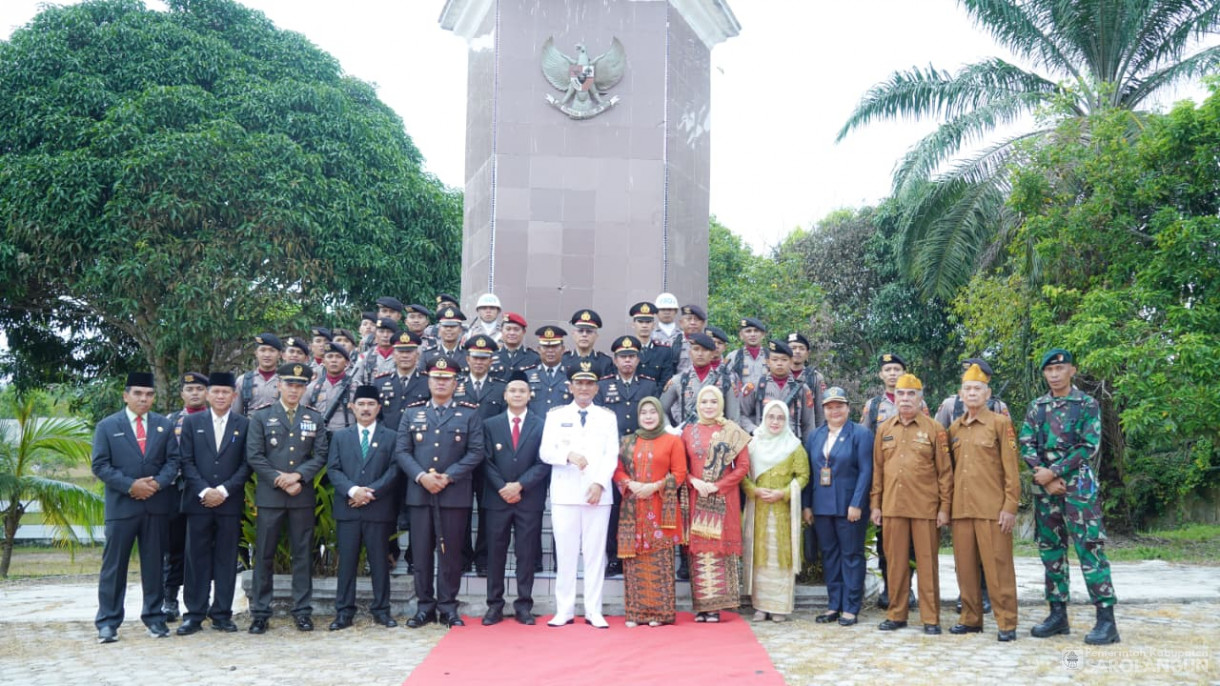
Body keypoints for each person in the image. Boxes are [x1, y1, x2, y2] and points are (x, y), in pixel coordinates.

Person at [1020, 348, 1119, 645]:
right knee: (1051, 550)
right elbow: (1026, 443)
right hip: (1046, 490)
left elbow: (1088, 446)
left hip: (1079, 489)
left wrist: (1055, 471)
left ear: (1071, 371)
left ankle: (1106, 620)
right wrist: (1043, 475)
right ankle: (1057, 615)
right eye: (1049, 370)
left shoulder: (1086, 404)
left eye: (1059, 369)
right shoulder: (1037, 407)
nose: (1054, 375)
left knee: (1090, 548)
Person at [396, 356, 485, 629]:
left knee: (451, 554)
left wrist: (448, 476)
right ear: (429, 381)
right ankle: (425, 607)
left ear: (455, 383)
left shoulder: (469, 413)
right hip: (421, 494)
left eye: (447, 379)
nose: (441, 383)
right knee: (421, 554)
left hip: (453, 494)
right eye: (437, 378)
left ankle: (448, 606)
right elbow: (402, 451)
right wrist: (423, 476)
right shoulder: (411, 413)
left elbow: (476, 452)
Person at [92, 372, 179, 643]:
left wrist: (156, 485)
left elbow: (173, 462)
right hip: (122, 508)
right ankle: (108, 622)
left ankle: (154, 618)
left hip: (155, 506)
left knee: (154, 566)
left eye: (149, 394)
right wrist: (131, 486)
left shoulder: (164, 425)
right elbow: (100, 465)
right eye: (138, 394)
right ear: (126, 395)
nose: (144, 399)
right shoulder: (107, 426)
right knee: (113, 567)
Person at [246, 363, 330, 634]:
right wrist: (279, 479)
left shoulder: (314, 418)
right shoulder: (261, 416)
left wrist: (298, 477)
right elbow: (255, 455)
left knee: (302, 555)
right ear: (279, 385)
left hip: (300, 495)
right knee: (264, 555)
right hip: (271, 496)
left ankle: (302, 611)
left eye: (299, 385)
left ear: (305, 388)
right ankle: (260, 612)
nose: (294, 390)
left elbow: (319, 456)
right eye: (289, 384)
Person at [870, 373, 953, 634]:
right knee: (895, 563)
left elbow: (945, 472)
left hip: (925, 509)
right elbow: (878, 470)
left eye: (911, 394)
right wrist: (876, 504)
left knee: (927, 563)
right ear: (895, 398)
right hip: (893, 507)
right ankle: (897, 614)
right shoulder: (884, 429)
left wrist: (944, 508)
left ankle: (931, 618)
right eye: (901, 394)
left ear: (920, 398)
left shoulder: (934, 429)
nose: (905, 399)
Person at [539, 363, 619, 629]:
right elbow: (545, 452)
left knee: (596, 554)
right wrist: (567, 456)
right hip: (565, 492)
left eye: (589, 384)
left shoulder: (607, 417)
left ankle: (593, 610)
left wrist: (599, 483)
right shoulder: (555, 415)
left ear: (596, 388)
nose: (584, 389)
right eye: (579, 384)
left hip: (597, 494)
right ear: (570, 387)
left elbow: (611, 455)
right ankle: (564, 609)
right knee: (566, 553)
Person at [947, 364, 1020, 642]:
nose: (972, 393)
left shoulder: (1000, 424)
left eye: (978, 388)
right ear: (960, 394)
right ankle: (970, 618)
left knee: (998, 568)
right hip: (962, 510)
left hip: (993, 510)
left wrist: (1010, 506)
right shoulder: (954, 428)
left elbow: (1011, 469)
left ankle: (1006, 622)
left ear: (987, 393)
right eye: (968, 389)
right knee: (964, 568)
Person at [175, 372, 250, 635]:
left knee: (227, 559)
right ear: (207, 395)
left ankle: (222, 614)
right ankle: (194, 614)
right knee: (195, 558)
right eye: (215, 392)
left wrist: (224, 490)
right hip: (198, 502)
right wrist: (206, 490)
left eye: (225, 392)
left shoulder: (244, 424)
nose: (220, 396)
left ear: (234, 395)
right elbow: (185, 461)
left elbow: (246, 464)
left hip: (229, 504)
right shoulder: (192, 422)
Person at [326, 385, 400, 630]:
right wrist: (353, 490)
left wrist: (370, 493)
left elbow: (394, 470)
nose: (366, 409)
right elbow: (333, 469)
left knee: (379, 562)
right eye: (361, 404)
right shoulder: (340, 437)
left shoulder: (391, 436)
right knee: (346, 562)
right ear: (352, 407)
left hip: (378, 509)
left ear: (379, 408)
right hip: (348, 508)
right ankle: (344, 612)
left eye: (371, 405)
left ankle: (382, 610)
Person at [480, 371, 551, 625]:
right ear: (505, 395)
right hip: (497, 499)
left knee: (525, 553)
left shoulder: (541, 424)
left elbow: (544, 462)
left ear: (530, 395)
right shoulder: (491, 424)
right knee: (495, 553)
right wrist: (503, 487)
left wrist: (519, 485)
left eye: (522, 391)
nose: (517, 395)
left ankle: (523, 605)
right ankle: (494, 606)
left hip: (528, 499)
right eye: (513, 391)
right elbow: (485, 461)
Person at [613, 397, 687, 627]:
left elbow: (680, 472)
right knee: (634, 562)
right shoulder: (627, 441)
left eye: (652, 412)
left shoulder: (672, 441)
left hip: (659, 508)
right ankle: (635, 613)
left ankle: (660, 614)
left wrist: (654, 487)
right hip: (633, 509)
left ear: (660, 415)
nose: (648, 416)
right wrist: (631, 485)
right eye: (643, 412)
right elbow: (617, 471)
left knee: (659, 561)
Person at [860, 352, 925, 609]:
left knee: (910, 541)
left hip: (912, 481)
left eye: (897, 369)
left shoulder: (919, 403)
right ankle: (888, 588)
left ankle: (906, 589)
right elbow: (864, 441)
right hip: (884, 480)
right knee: (885, 538)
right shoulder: (873, 405)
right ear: (881, 375)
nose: (892, 374)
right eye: (887, 370)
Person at [803, 387, 872, 627]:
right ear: (823, 410)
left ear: (847, 408)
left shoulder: (860, 434)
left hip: (848, 507)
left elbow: (866, 471)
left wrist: (857, 503)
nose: (834, 411)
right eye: (830, 407)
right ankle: (834, 605)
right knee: (830, 556)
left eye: (839, 406)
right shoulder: (815, 435)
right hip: (821, 507)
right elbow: (809, 473)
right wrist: (807, 505)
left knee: (851, 555)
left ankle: (851, 608)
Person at [682, 385, 751, 622]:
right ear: (698, 405)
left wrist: (718, 485)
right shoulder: (688, 432)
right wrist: (693, 481)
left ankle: (717, 606)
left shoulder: (732, 431)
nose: (708, 406)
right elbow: (682, 467)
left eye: (713, 402)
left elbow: (743, 467)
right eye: (704, 402)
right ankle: (702, 606)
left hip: (723, 497)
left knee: (719, 549)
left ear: (720, 404)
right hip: (697, 497)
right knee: (700, 550)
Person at [595, 334, 660, 577]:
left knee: (640, 506)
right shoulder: (603, 386)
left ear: (638, 358)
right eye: (622, 357)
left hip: (644, 453)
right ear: (614, 359)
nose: (627, 361)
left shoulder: (649, 385)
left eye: (631, 356)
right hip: (614, 454)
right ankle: (614, 557)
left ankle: (641, 551)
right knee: (614, 508)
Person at [743, 400, 810, 623]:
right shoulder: (753, 445)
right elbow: (742, 475)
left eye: (780, 418)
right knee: (760, 556)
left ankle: (779, 606)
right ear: (763, 418)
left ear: (786, 420)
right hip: (759, 510)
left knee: (780, 557)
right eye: (771, 417)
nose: (775, 422)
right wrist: (753, 490)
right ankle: (761, 606)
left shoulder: (794, 446)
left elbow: (803, 476)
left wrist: (784, 493)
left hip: (783, 511)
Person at [456, 335, 507, 576]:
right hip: (461, 458)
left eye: (484, 358)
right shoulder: (455, 385)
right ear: (467, 359)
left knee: (488, 510)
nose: (479, 362)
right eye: (475, 357)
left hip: (490, 460)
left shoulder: (500, 387)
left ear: (491, 361)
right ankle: (463, 556)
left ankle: (483, 558)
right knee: (462, 509)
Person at [162, 371, 209, 623]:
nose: (194, 393)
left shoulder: (215, 419)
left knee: (203, 547)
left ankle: (204, 599)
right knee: (173, 547)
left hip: (203, 491)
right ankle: (170, 599)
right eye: (189, 389)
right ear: (182, 393)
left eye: (200, 389)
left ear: (207, 393)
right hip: (174, 489)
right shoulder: (169, 421)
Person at [739, 340, 818, 438]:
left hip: (792, 444)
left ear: (791, 361)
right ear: (768, 362)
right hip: (763, 442)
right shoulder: (756, 386)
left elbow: (808, 424)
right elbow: (741, 414)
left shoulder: (802, 389)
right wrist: (753, 429)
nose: (779, 363)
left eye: (784, 360)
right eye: (775, 360)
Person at [305, 341, 356, 435]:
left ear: (347, 363)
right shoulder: (312, 388)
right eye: (330, 356)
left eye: (338, 357)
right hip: (320, 439)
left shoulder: (356, 387)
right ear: (323, 362)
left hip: (347, 437)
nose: (334, 360)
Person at [628, 301, 677, 389]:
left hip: (654, 400)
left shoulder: (664, 351)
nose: (644, 326)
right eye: (640, 322)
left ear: (654, 325)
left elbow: (665, 382)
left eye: (648, 322)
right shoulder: (626, 351)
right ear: (633, 324)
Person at [233, 333, 282, 416]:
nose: (267, 355)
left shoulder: (285, 381)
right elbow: (235, 414)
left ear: (279, 355)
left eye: (272, 351)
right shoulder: (243, 380)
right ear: (256, 353)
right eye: (262, 350)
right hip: (250, 427)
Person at [526, 325, 571, 413]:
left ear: (563, 349)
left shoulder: (570, 375)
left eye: (555, 346)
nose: (550, 351)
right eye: (546, 347)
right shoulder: (527, 375)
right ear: (538, 349)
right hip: (535, 426)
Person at [722, 317, 770, 396]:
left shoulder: (771, 356)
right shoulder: (733, 357)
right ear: (741, 335)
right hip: (741, 403)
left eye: (756, 331)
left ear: (763, 334)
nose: (752, 334)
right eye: (748, 331)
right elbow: (725, 379)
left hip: (766, 402)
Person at [563, 309, 614, 378]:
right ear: (573, 334)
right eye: (580, 331)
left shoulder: (605, 362)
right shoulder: (563, 360)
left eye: (589, 331)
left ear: (596, 336)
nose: (584, 335)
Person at [489, 312, 539, 381]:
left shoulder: (534, 358)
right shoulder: (491, 357)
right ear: (501, 331)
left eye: (516, 329)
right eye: (508, 329)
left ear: (524, 332)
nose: (512, 333)